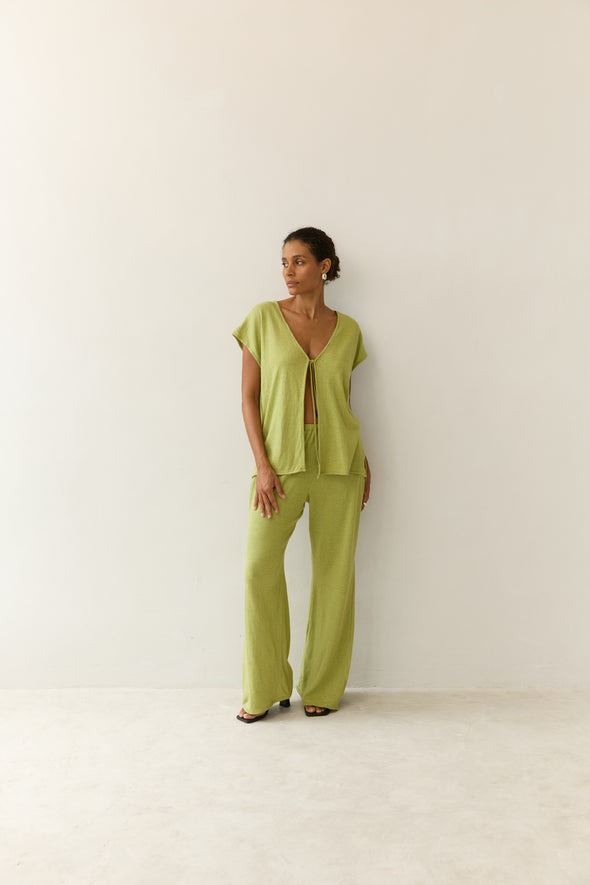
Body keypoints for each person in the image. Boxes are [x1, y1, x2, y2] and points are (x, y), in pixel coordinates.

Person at [232, 227, 370, 722]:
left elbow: (343, 401)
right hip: (279, 464)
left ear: (324, 266)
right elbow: (248, 398)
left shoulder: (348, 330)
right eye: (285, 263)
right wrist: (262, 466)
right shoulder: (263, 319)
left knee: (335, 575)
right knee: (259, 569)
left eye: (299, 262)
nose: (289, 272)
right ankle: (265, 687)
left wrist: (363, 461)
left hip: (340, 465)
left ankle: (322, 686)